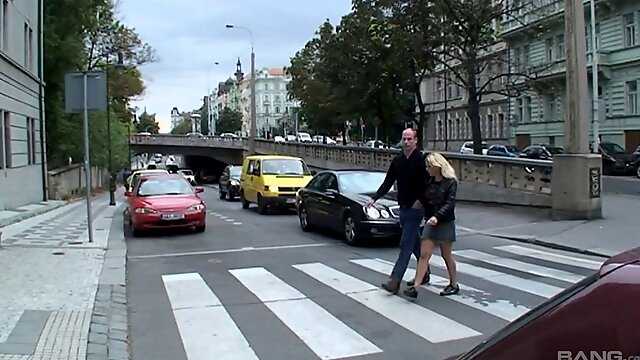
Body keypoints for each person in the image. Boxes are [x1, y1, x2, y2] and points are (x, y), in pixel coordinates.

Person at [366, 128, 431, 294]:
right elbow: (388, 182)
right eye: (404, 139)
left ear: (416, 140)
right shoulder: (398, 161)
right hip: (403, 207)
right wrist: (374, 198)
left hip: (417, 209)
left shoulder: (422, 160)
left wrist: (421, 201)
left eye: (410, 139)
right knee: (415, 241)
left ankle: (395, 281)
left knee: (405, 244)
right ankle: (425, 273)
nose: (407, 142)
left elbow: (430, 185)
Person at [404, 152, 459, 298]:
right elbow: (425, 198)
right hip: (430, 221)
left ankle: (453, 284)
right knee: (424, 255)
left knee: (446, 254)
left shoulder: (450, 182)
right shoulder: (430, 181)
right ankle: (416, 287)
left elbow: (449, 203)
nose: (427, 169)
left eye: (429, 166)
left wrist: (437, 216)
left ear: (437, 166)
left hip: (445, 221)